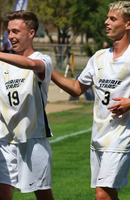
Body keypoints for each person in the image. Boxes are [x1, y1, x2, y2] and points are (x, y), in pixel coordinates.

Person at [51, 1, 130, 200]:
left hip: (122, 135)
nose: (106, 22)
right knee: (109, 193)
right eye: (107, 17)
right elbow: (77, 88)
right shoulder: (98, 57)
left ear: (128, 24)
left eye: (113, 19)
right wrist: (48, 72)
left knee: (101, 194)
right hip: (98, 134)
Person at [0, 11, 55, 200]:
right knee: (1, 195)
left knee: (43, 195)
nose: (11, 37)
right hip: (4, 139)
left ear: (31, 33)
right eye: (9, 32)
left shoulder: (43, 59)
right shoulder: (0, 66)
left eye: (15, 31)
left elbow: (31, 64)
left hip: (33, 138)